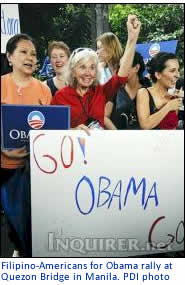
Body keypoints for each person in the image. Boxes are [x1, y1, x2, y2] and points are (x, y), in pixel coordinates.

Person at [1, 33, 52, 257]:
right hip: (4, 170)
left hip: (34, 172)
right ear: (10, 57)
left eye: (33, 53)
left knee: (30, 228)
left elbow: (52, 130)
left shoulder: (44, 90)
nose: (30, 57)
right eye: (23, 52)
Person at [51, 15, 141, 133]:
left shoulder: (101, 92)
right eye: (82, 67)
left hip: (99, 149)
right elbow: (50, 130)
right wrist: (72, 130)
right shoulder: (60, 97)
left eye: (92, 67)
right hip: (74, 149)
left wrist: (132, 38)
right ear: (73, 71)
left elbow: (121, 76)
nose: (88, 73)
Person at [104, 52, 151, 130]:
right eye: (120, 66)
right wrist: (117, 134)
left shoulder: (149, 90)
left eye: (125, 66)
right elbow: (105, 116)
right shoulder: (115, 89)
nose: (121, 70)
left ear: (136, 68)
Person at [136, 52, 182, 129]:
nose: (178, 75)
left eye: (178, 70)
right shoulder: (144, 93)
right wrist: (168, 107)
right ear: (158, 75)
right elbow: (145, 125)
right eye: (172, 71)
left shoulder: (174, 97)